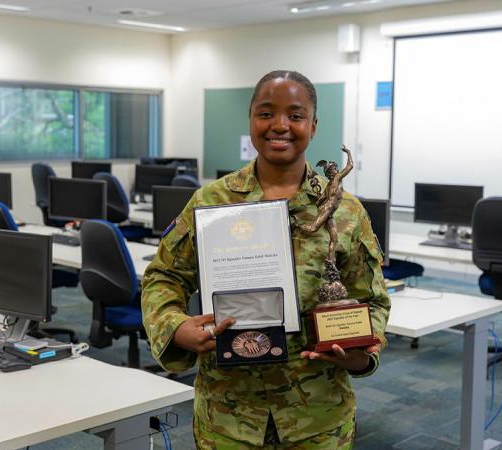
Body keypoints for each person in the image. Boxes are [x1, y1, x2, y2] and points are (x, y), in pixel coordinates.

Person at [141, 70, 391, 449]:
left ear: (313, 125)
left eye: (295, 115)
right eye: (266, 113)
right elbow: (164, 276)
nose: (280, 125)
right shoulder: (212, 202)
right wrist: (175, 327)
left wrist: (359, 355)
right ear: (251, 120)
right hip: (228, 415)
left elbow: (372, 299)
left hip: (317, 416)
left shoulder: (345, 210)